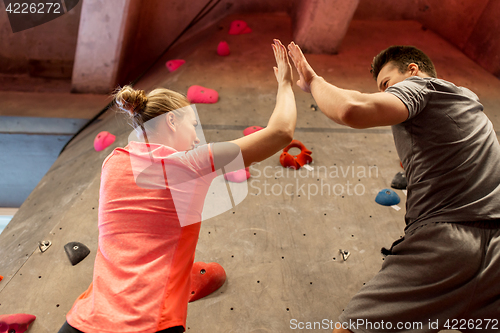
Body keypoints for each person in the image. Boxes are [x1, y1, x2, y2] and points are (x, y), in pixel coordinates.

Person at [58, 39, 296, 333]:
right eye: (193, 125)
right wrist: (285, 84)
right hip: (145, 324)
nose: (197, 137)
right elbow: (281, 131)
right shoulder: (189, 163)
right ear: (171, 121)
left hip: (81, 322)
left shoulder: (112, 163)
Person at [288, 42, 500, 332]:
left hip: (445, 244)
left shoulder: (420, 88)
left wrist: (314, 81)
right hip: (495, 252)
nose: (387, 95)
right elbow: (357, 96)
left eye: (387, 84)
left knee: (351, 329)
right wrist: (322, 89)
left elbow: (352, 108)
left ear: (413, 70)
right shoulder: (465, 101)